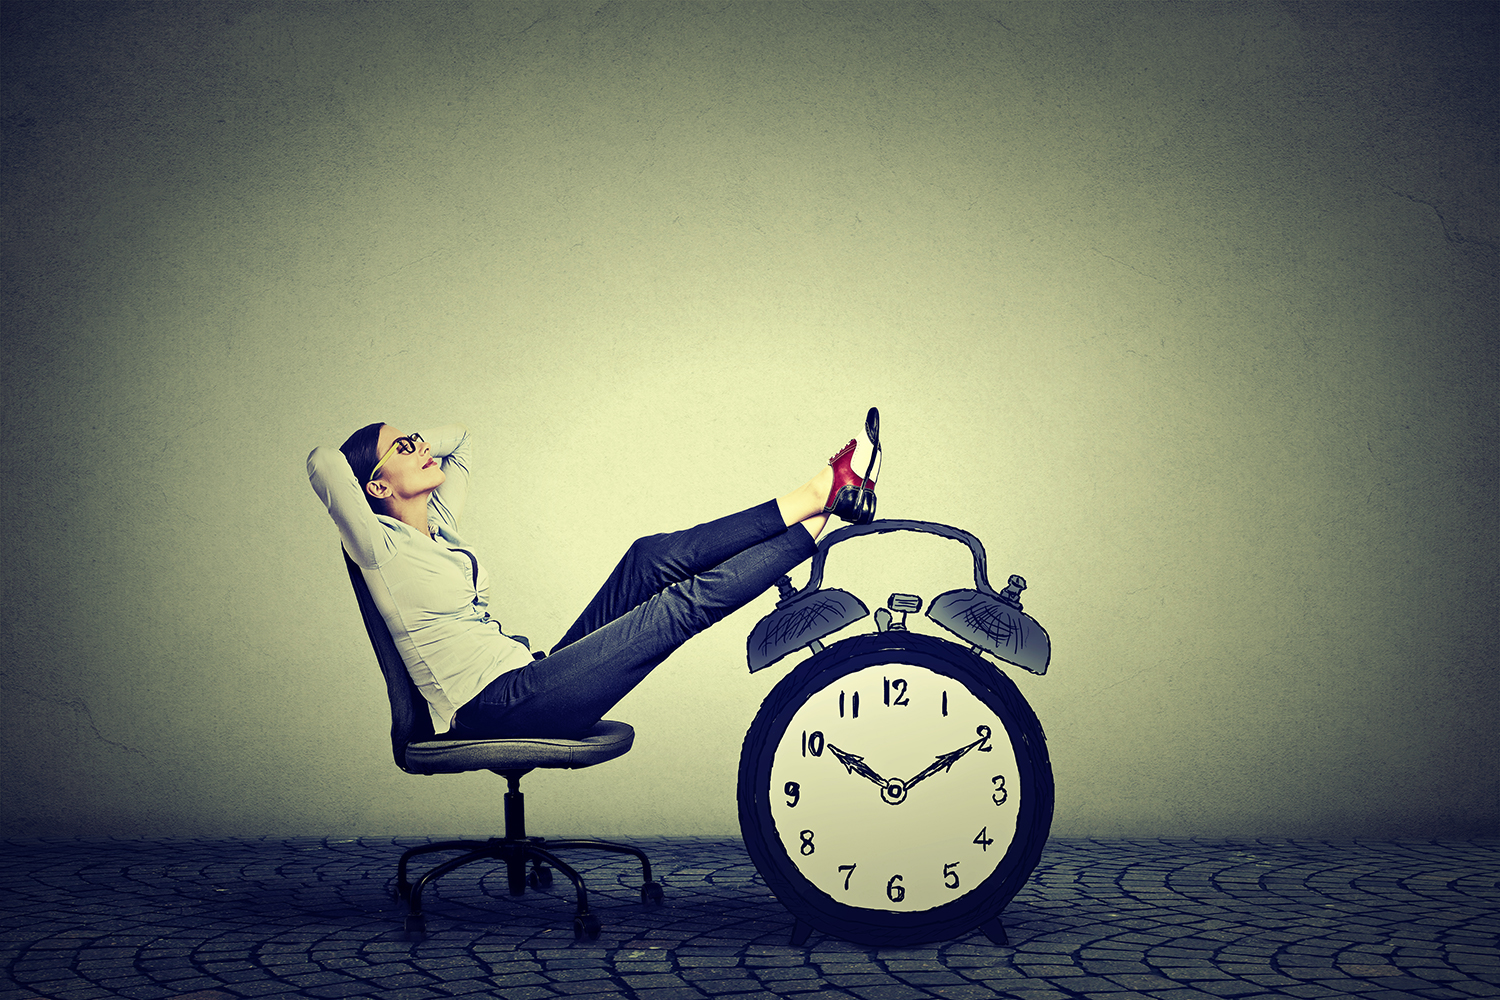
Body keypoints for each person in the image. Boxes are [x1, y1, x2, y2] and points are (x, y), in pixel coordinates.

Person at [307, 409, 882, 739]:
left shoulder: (439, 523)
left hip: (531, 674)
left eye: (414, 440)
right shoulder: (377, 547)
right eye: (404, 449)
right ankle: (826, 517)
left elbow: (460, 440)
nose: (421, 447)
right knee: (675, 608)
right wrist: (383, 457)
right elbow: (325, 464)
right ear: (376, 489)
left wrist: (409, 446)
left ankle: (815, 495)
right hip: (491, 708)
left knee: (645, 558)